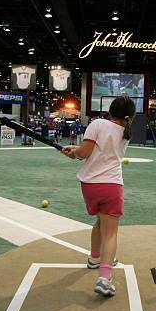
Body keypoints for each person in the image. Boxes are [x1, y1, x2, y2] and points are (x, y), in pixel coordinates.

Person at [61, 96, 135, 297]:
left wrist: (73, 153)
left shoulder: (98, 123)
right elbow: (90, 152)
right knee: (110, 232)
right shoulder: (126, 132)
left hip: (90, 185)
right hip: (111, 185)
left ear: (111, 111)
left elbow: (85, 153)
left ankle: (95, 258)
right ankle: (104, 277)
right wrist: (77, 151)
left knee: (100, 222)